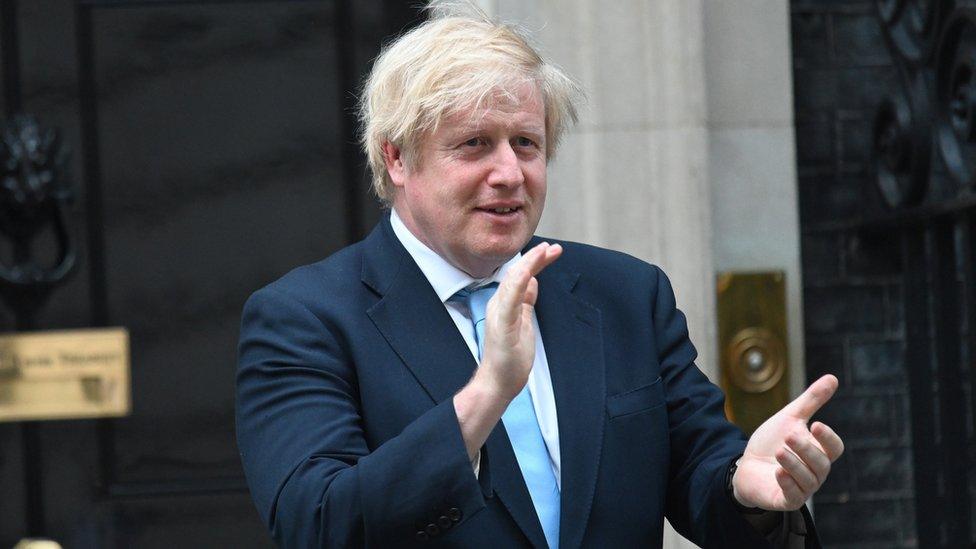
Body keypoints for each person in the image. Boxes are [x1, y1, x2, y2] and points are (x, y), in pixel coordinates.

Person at [236, 5, 844, 548]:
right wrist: (487, 394)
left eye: (526, 144)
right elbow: (318, 523)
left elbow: (700, 472)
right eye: (474, 144)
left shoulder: (624, 294)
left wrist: (748, 488)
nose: (509, 172)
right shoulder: (305, 318)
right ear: (397, 158)